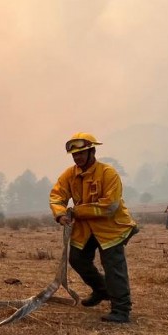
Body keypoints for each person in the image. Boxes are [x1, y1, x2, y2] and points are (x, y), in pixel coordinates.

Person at [50, 132, 138, 323]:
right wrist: (60, 213)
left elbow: (110, 206)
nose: (77, 157)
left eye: (81, 153)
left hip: (111, 230)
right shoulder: (69, 175)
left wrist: (77, 212)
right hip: (85, 230)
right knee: (77, 259)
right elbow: (57, 195)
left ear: (92, 152)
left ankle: (121, 310)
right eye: (74, 155)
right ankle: (101, 290)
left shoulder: (108, 174)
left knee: (113, 267)